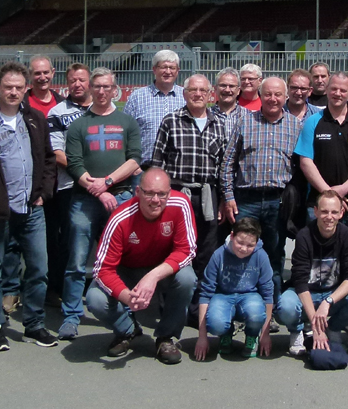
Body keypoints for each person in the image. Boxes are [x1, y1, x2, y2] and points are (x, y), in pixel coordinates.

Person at [0, 61, 59, 351]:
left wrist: (43, 193)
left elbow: (49, 160)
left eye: (18, 88)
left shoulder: (35, 118)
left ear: (26, 89)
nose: (13, 92)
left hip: (32, 206)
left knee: (38, 268)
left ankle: (34, 324)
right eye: (7, 87)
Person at [59, 67, 142, 341]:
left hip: (120, 196)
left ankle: (124, 309)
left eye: (107, 87)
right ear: (91, 89)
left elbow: (134, 160)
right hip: (85, 199)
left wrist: (106, 183)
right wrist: (97, 189)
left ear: (115, 89)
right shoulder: (78, 125)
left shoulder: (127, 122)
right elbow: (74, 163)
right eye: (98, 87)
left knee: (121, 259)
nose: (103, 91)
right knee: (77, 259)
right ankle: (71, 315)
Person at [85, 167, 197, 364]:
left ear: (169, 193)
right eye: (149, 193)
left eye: (161, 194)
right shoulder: (120, 217)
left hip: (161, 271)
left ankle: (165, 337)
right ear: (138, 192)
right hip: (127, 272)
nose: (155, 200)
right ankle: (128, 330)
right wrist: (127, 298)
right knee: (94, 297)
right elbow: (102, 269)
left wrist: (153, 276)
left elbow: (186, 250)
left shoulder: (181, 203)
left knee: (187, 278)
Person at [221, 76, 302, 301]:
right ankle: (237, 302)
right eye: (268, 94)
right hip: (246, 199)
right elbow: (228, 163)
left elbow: (302, 168)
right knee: (240, 252)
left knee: (274, 256)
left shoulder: (296, 126)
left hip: (279, 201)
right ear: (260, 95)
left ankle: (271, 305)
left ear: (285, 97)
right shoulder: (245, 122)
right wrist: (228, 197)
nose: (273, 99)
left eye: (278, 94)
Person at [151, 74, 227, 286]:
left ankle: (199, 305)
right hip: (178, 192)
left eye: (203, 90)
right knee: (175, 245)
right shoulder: (171, 121)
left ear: (210, 94)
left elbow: (224, 167)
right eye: (193, 90)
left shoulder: (220, 124)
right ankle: (172, 299)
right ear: (184, 94)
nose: (198, 94)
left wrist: (223, 199)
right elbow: (158, 162)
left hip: (208, 194)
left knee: (207, 248)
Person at [295, 72, 348, 261]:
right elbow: (305, 162)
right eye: (334, 89)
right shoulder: (313, 122)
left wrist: (343, 190)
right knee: (317, 254)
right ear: (326, 90)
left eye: (343, 90)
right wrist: (329, 195)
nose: (338, 93)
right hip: (319, 201)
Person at [277, 191, 348, 357]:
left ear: (341, 213)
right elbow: (299, 281)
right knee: (285, 304)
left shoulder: (346, 235)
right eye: (325, 211)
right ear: (316, 211)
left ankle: (333, 329)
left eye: (334, 212)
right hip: (307, 293)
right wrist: (315, 323)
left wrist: (328, 302)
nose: (329, 217)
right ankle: (297, 332)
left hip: (331, 293)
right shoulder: (304, 236)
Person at [44, 63, 93, 306]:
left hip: (103, 185)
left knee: (100, 240)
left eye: (82, 79)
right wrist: (84, 174)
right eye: (73, 80)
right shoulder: (57, 112)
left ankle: (98, 289)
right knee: (68, 241)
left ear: (90, 82)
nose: (78, 84)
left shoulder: (104, 108)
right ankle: (59, 288)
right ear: (67, 83)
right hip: (69, 187)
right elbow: (57, 152)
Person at [194, 217, 274, 360]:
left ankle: (252, 335)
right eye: (240, 242)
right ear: (232, 236)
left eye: (250, 245)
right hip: (223, 295)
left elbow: (268, 293)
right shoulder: (219, 255)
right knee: (216, 323)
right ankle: (226, 333)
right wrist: (202, 337)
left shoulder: (261, 255)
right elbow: (205, 293)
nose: (244, 249)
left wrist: (265, 334)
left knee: (256, 313)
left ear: (256, 243)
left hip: (250, 295)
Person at [124, 50, 185, 164]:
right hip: (144, 167)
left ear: (178, 71)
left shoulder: (186, 97)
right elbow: (125, 133)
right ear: (154, 69)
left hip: (178, 168)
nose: (168, 71)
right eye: (163, 67)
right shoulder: (137, 97)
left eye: (172, 68)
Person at [210, 67, 245, 141]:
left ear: (238, 90)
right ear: (216, 89)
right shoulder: (206, 115)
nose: (227, 90)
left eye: (231, 86)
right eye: (223, 85)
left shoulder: (248, 116)